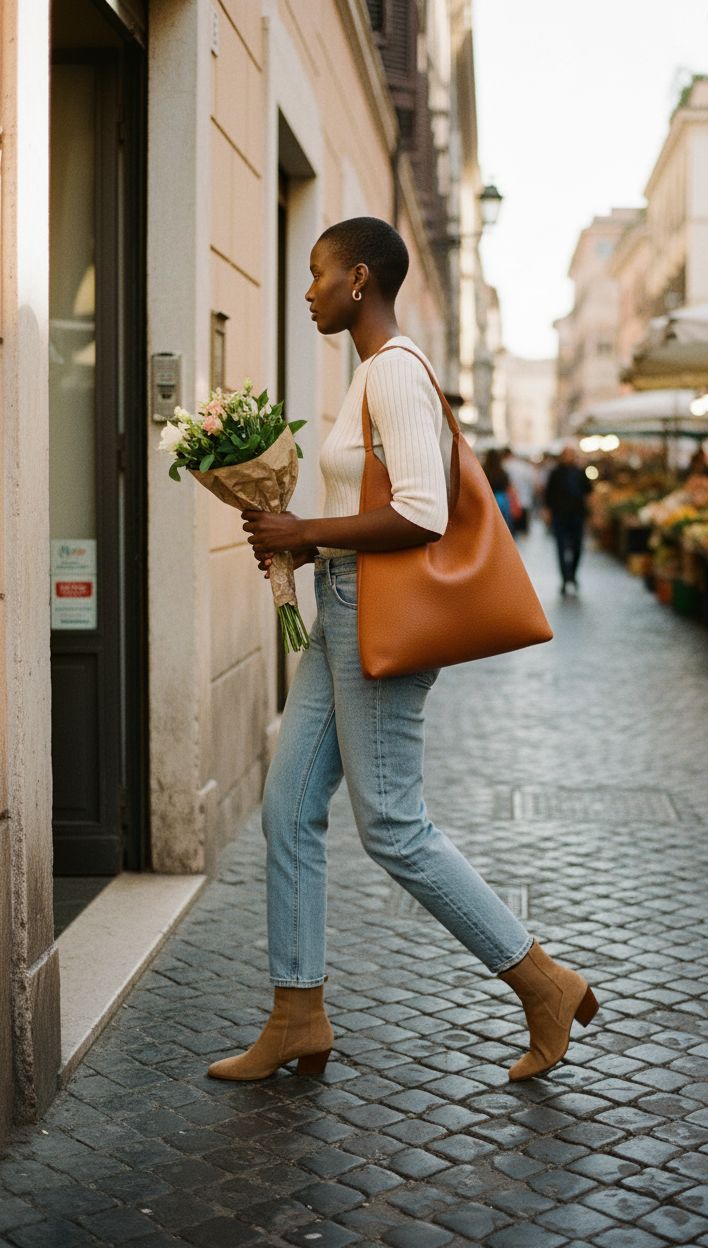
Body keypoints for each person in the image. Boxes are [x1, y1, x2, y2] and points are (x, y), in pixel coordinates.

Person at [206, 217, 597, 1085]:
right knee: (286, 808)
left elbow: (421, 512)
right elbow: (378, 511)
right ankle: (296, 1014)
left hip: (379, 620)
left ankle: (542, 983)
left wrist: (304, 525)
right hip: (344, 603)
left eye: (317, 273)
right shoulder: (369, 378)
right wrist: (312, 546)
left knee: (392, 825)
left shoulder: (394, 375)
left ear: (358, 281)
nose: (306, 289)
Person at [544, 445, 592, 594]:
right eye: (567, 454)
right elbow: (548, 494)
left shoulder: (580, 472)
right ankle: (565, 578)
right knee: (561, 548)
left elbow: (589, 493)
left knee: (577, 547)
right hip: (560, 516)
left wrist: (593, 513)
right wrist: (547, 512)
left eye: (571, 454)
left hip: (577, 515)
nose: (569, 457)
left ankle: (572, 573)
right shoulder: (555, 473)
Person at [482, 448, 515, 534]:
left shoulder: (483, 471)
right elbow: (507, 486)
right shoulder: (503, 472)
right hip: (502, 499)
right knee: (504, 525)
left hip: (488, 499)